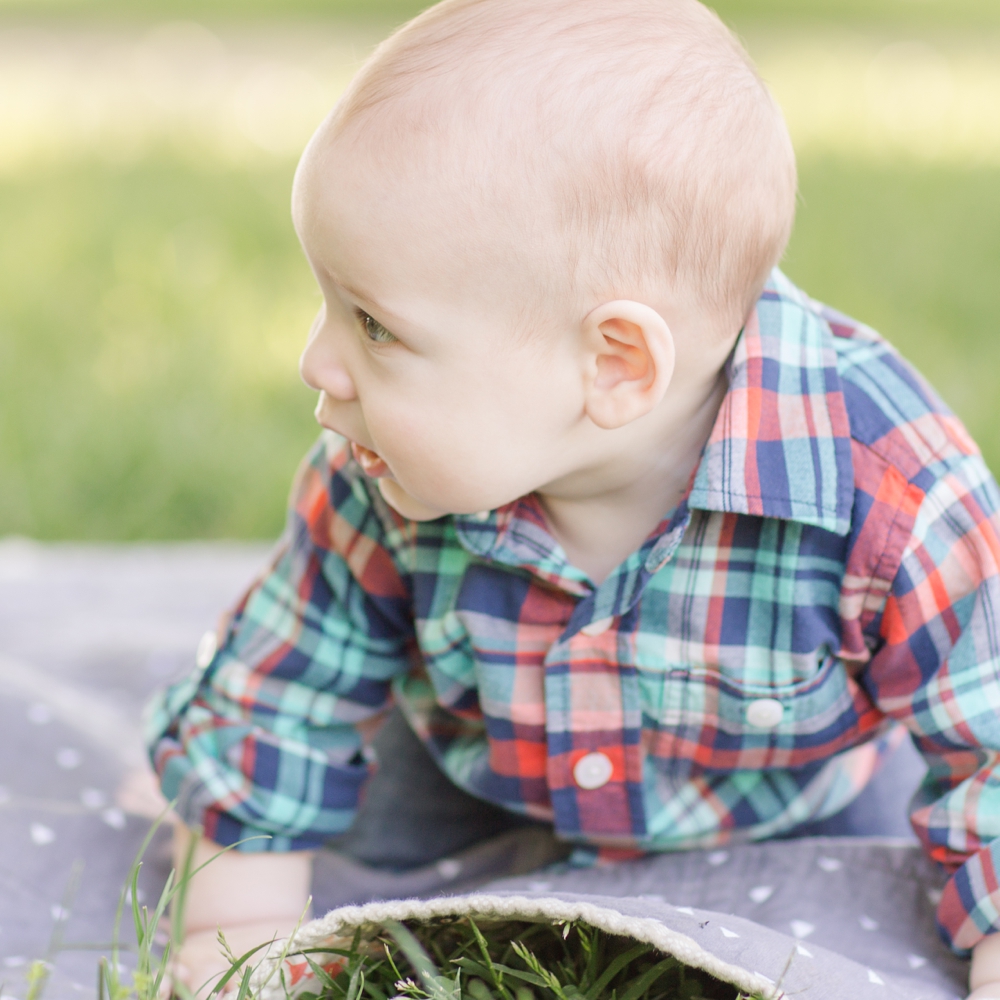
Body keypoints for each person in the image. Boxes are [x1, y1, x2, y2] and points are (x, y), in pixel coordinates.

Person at [144, 0, 1000, 995]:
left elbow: (990, 739)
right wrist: (232, 935)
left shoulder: (893, 496)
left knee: (881, 901)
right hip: (481, 764)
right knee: (296, 814)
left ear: (616, 363)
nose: (316, 362)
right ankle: (182, 790)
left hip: (780, 796)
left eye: (375, 325)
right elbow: (279, 702)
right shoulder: (378, 475)